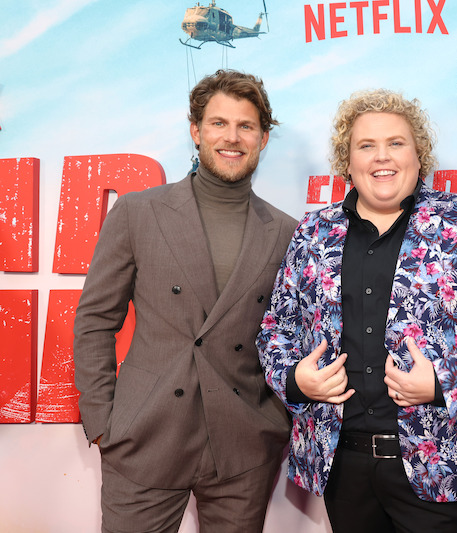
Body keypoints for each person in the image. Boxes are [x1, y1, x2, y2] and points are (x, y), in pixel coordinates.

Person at [257, 89, 457, 533]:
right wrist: (295, 380)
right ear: (347, 162)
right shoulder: (313, 232)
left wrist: (445, 383)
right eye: (366, 145)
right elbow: (275, 328)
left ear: (419, 155)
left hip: (447, 462)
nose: (381, 157)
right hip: (342, 466)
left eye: (396, 143)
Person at [73, 69, 297, 533]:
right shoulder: (139, 212)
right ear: (196, 131)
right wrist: (102, 420)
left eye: (246, 126)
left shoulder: (288, 232)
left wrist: (272, 422)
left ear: (263, 137)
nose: (231, 138)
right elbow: (96, 319)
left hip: (243, 443)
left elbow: (293, 336)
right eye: (218, 123)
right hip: (145, 436)